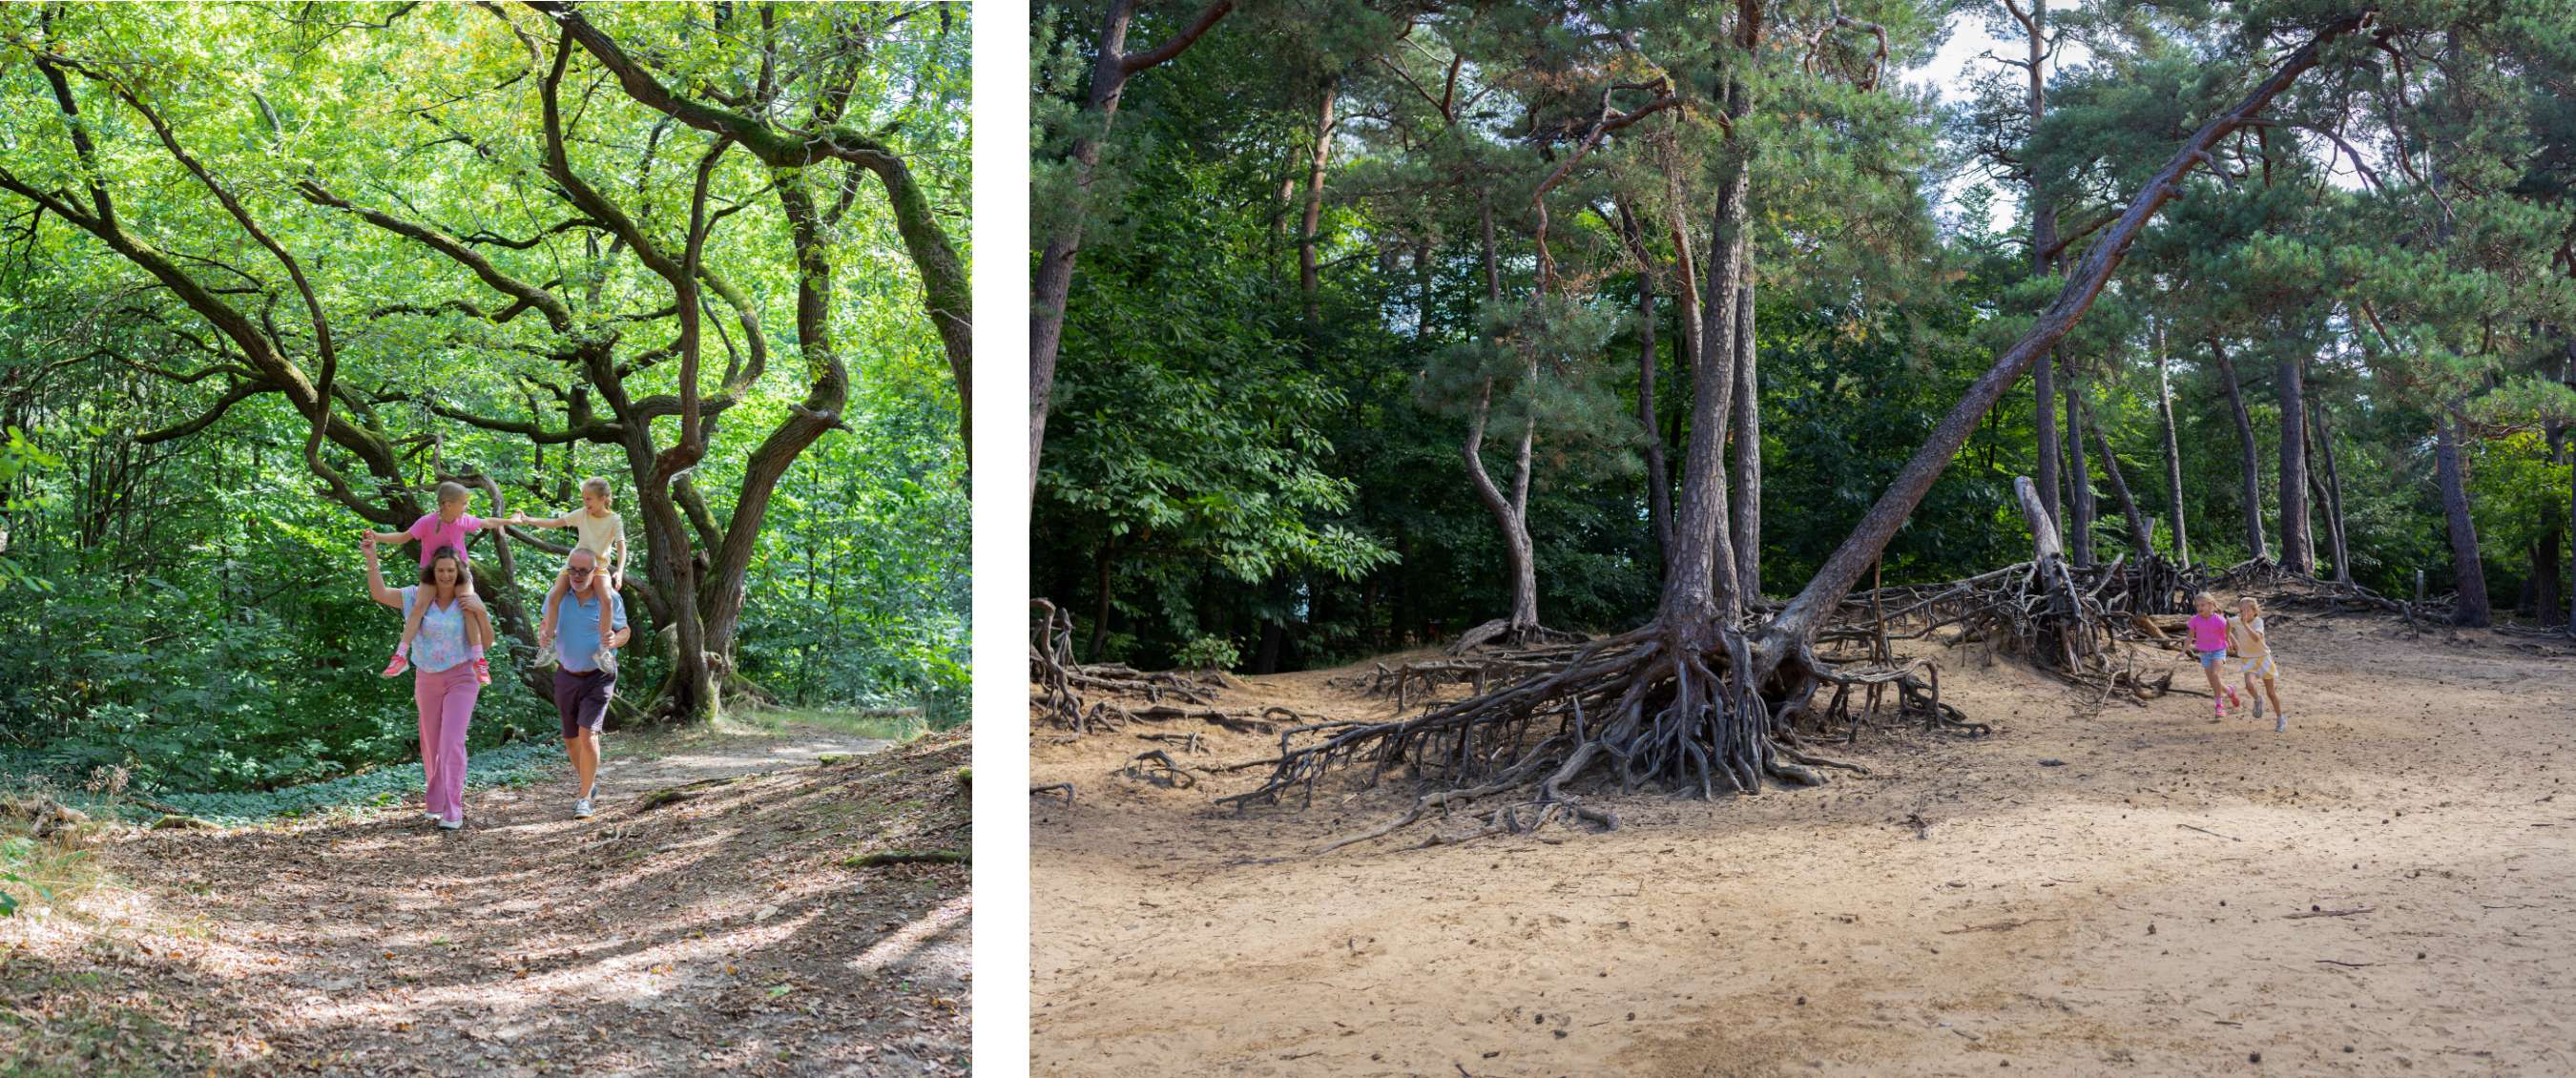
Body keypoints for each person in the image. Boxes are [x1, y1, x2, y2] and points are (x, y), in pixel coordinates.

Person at [363, 536, 485, 830]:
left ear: (458, 572)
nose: (445, 575)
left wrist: (481, 610)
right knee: (431, 743)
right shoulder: (416, 596)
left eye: (451, 571)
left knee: (452, 741)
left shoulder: (466, 597)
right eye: (440, 570)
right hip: (427, 677)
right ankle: (436, 799)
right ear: (433, 571)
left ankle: (453, 809)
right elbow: (378, 593)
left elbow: (486, 638)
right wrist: (371, 558)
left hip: (462, 675)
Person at [363, 482, 502, 684]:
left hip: (459, 571)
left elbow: (487, 522)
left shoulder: (463, 520)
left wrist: (512, 521)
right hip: (431, 571)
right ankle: (400, 656)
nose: (466, 507)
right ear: (447, 504)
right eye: (463, 503)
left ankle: (479, 660)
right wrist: (377, 537)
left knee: (468, 607)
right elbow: (403, 537)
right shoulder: (427, 522)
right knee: (418, 607)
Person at [508, 476, 628, 675]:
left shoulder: (614, 520)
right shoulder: (582, 514)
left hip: (598, 567)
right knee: (555, 596)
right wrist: (528, 519)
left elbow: (621, 546)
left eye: (589, 499)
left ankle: (604, 652)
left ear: (603, 498)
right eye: (583, 498)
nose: (585, 503)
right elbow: (555, 522)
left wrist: (620, 572)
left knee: (606, 600)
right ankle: (548, 645)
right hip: (576, 561)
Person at [546, 548, 629, 819]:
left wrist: (616, 640)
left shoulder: (609, 598)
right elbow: (545, 623)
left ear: (595, 572)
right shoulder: (558, 595)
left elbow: (625, 630)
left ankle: (583, 799)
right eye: (573, 569)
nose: (577, 575)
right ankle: (588, 783)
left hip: (599, 675)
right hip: (567, 674)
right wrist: (543, 637)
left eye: (584, 570)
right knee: (571, 742)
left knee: (587, 734)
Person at [2231, 595, 2288, 732]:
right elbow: (2225, 624)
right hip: (2248, 659)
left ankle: (2280, 719)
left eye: (2247, 610)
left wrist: (2245, 624)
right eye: (2241, 610)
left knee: (2271, 693)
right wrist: (2230, 640)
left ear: (2255, 611)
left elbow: (2257, 638)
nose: (2243, 613)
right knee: (2249, 685)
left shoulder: (2258, 622)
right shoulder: (2236, 620)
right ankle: (2257, 699)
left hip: (2264, 659)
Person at [2187, 591, 2241, 721]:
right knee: (2213, 683)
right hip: (2204, 653)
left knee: (2215, 675)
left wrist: (2237, 647)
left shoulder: (2219, 619)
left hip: (2219, 651)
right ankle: (2229, 691)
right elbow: (2189, 635)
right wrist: (2184, 650)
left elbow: (2229, 634)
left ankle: (2219, 707)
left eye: (2203, 605)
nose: (2200, 608)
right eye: (2198, 605)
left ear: (2211, 605)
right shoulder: (2195, 619)